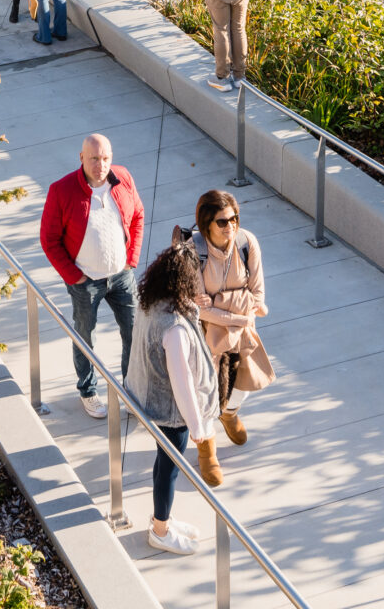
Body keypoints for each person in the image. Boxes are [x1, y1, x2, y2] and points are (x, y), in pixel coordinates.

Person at [38, 134, 146, 419]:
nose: (101, 165)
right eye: (95, 158)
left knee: (134, 334)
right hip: (86, 281)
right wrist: (75, 277)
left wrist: (131, 260)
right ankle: (88, 392)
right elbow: (49, 240)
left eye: (106, 158)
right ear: (82, 158)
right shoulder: (61, 190)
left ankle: (132, 392)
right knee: (85, 337)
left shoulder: (122, 178)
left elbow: (137, 217)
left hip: (122, 276)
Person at [128, 238, 224, 556]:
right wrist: (198, 430)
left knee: (162, 465)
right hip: (171, 415)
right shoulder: (175, 328)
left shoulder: (151, 303)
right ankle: (160, 529)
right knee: (168, 470)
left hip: (149, 401)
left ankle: (163, 520)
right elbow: (182, 385)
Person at [191, 189, 267, 448]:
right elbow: (198, 309)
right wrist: (239, 310)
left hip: (243, 331)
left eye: (234, 219)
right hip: (204, 334)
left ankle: (230, 413)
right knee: (205, 391)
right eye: (222, 221)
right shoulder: (194, 251)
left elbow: (256, 297)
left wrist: (219, 304)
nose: (230, 226)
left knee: (244, 384)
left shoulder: (247, 243)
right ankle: (206, 447)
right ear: (206, 224)